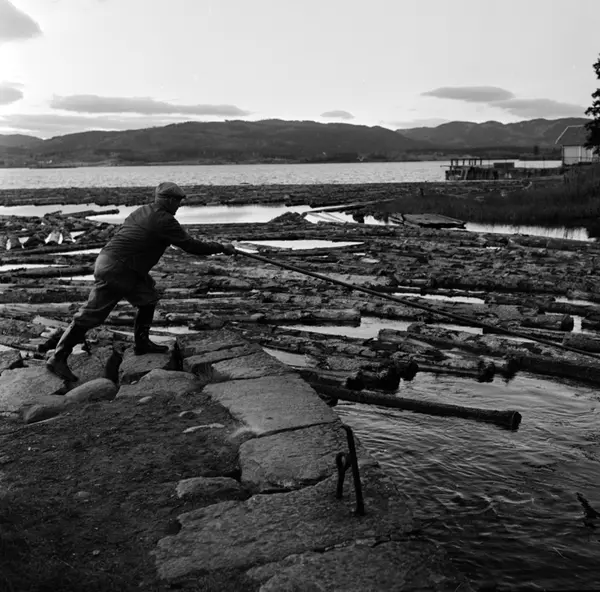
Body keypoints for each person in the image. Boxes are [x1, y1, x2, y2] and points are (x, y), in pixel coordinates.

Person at [46, 181, 236, 382]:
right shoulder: (164, 220)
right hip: (118, 269)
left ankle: (142, 344)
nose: (180, 205)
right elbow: (191, 246)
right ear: (168, 200)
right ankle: (58, 358)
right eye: (178, 200)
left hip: (117, 264)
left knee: (148, 299)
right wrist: (221, 247)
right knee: (91, 314)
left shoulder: (143, 211)